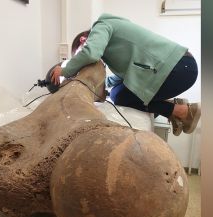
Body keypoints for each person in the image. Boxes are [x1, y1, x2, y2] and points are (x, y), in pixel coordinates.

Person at [51, 13, 200, 136]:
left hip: (179, 69)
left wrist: (65, 70)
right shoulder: (114, 34)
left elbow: (90, 54)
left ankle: (182, 111)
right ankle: (175, 111)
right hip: (181, 67)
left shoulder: (102, 25)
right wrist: (105, 83)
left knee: (119, 95)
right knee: (119, 90)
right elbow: (128, 75)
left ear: (85, 40)